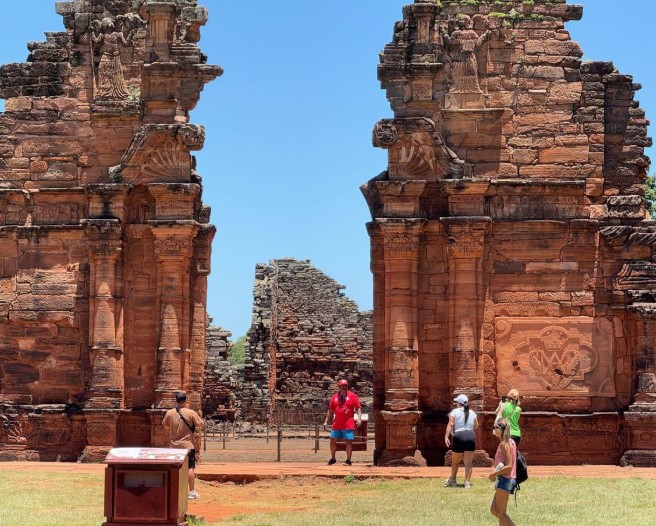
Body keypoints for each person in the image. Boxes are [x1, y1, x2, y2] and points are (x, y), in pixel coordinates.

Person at [162, 391, 204, 500]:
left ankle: (173, 490)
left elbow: (165, 426)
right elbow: (201, 424)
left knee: (174, 468)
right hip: (187, 446)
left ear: (176, 401)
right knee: (190, 468)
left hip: (174, 446)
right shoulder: (190, 412)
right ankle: (191, 492)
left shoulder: (170, 413)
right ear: (186, 401)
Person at [323, 379, 362, 466]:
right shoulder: (334, 397)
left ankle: (348, 460)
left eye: (345, 386)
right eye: (342, 386)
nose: (343, 387)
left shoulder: (353, 396)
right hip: (337, 424)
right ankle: (333, 458)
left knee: (348, 441)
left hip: (348, 424)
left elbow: (358, 407)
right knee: (332, 440)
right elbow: (330, 410)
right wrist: (326, 421)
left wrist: (359, 419)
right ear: (339, 387)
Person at [444, 393, 478, 488]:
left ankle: (453, 480)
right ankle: (467, 482)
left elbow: (451, 424)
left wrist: (446, 436)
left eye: (456, 402)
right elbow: (476, 426)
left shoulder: (454, 411)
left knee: (455, 461)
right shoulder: (472, 412)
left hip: (459, 436)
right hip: (471, 436)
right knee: (468, 462)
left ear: (459, 403)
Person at [488, 419, 517, 526]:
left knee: (501, 513)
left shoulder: (504, 444)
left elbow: (509, 466)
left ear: (500, 430)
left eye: (494, 428)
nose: (493, 430)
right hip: (506, 479)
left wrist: (493, 474)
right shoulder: (511, 442)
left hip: (506, 479)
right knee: (494, 509)